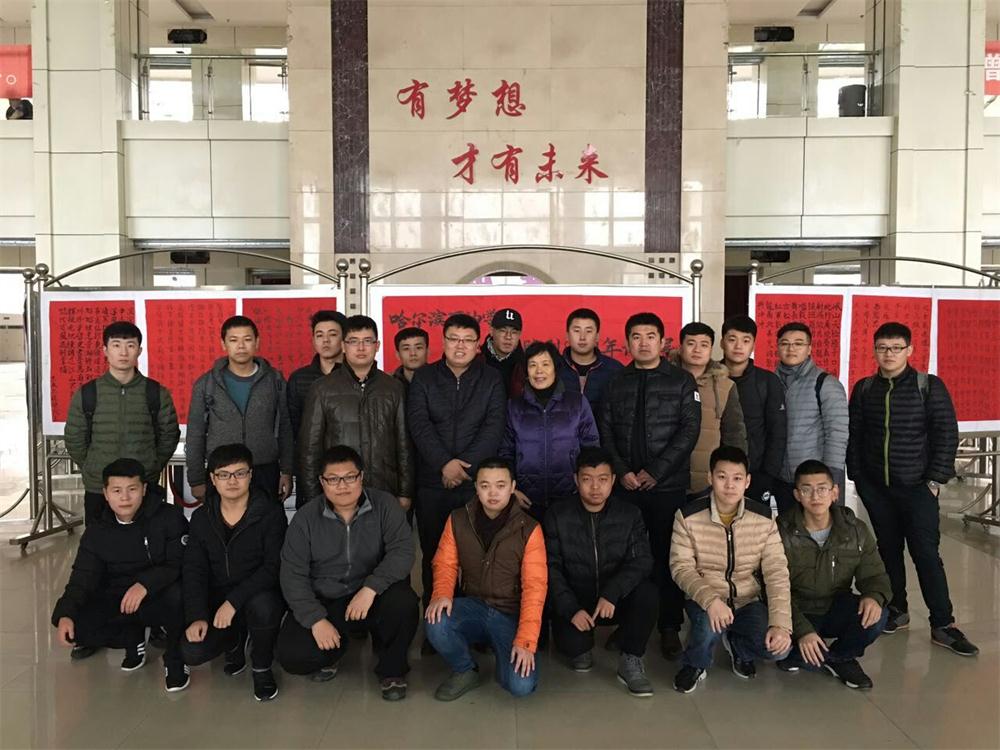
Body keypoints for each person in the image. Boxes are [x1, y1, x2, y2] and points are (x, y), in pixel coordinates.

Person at [847, 322, 977, 656]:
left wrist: (934, 481)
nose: (888, 354)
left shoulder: (928, 386)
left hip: (918, 488)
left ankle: (943, 623)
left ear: (909, 350)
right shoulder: (864, 389)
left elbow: (946, 433)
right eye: (882, 348)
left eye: (896, 348)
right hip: (878, 489)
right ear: (874, 350)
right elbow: (855, 435)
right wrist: (860, 479)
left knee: (926, 554)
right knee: (888, 551)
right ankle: (897, 610)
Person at [276, 445, 418, 701]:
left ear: (361, 477)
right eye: (333, 479)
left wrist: (371, 588)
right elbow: (292, 574)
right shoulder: (306, 518)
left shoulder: (385, 505)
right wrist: (316, 620)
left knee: (403, 602)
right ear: (322, 482)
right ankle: (334, 649)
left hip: (371, 596)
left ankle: (392, 669)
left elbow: (403, 551)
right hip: (327, 598)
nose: (342, 486)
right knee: (293, 657)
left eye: (350, 477)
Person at [598, 312, 701, 660]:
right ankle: (629, 623)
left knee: (668, 556)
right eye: (636, 337)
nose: (643, 343)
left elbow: (689, 430)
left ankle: (669, 626)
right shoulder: (616, 381)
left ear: (663, 341)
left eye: (650, 336)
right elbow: (605, 430)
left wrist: (656, 471)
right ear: (627, 342)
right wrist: (621, 471)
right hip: (626, 487)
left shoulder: (682, 381)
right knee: (626, 558)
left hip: (667, 486)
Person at [51, 458, 190, 692]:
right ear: (106, 494)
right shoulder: (97, 530)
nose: (125, 498)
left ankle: (175, 659)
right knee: (78, 626)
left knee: (179, 595)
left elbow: (179, 563)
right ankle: (132, 637)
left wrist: (145, 584)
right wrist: (65, 613)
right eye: (117, 491)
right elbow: (82, 577)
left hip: (159, 592)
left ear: (144, 489)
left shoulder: (169, 517)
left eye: (132, 489)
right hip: (120, 596)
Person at [407, 314, 506, 622]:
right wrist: (443, 464)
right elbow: (419, 425)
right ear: (443, 341)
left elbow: (493, 428)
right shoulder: (424, 378)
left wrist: (463, 469)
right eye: (453, 339)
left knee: (475, 557)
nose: (460, 346)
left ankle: (471, 624)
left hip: (474, 485)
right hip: (432, 483)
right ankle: (435, 623)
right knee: (434, 555)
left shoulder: (491, 379)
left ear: (478, 345)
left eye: (467, 340)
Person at [670, 446, 792, 693]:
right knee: (707, 627)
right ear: (710, 478)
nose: (729, 485)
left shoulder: (764, 518)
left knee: (780, 650)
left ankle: (738, 646)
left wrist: (781, 624)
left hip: (747, 600)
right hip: (706, 598)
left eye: (737, 478)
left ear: (747, 482)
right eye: (722, 477)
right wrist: (711, 600)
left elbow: (777, 572)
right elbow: (681, 567)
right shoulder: (688, 515)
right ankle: (695, 663)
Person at [424, 458, 547, 700]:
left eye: (500, 485)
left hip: (509, 614)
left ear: (512, 487)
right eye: (485, 485)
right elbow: (445, 563)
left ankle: (504, 654)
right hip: (475, 606)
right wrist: (442, 594)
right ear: (476, 488)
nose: (493, 493)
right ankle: (465, 669)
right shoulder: (458, 519)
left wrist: (525, 641)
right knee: (436, 620)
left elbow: (535, 588)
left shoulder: (530, 529)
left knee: (520, 686)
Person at [543, 447, 657, 697]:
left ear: (613, 480)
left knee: (648, 593)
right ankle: (581, 642)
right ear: (576, 479)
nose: (595, 487)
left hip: (613, 600)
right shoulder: (557, 515)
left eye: (603, 479)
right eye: (587, 479)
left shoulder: (629, 514)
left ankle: (631, 658)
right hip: (577, 601)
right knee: (576, 651)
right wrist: (570, 609)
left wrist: (612, 592)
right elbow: (551, 568)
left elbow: (642, 561)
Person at [182, 444, 288, 702]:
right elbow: (194, 570)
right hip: (217, 595)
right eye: (224, 474)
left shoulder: (271, 513)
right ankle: (234, 641)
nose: (232, 481)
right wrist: (197, 616)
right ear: (212, 479)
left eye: (240, 473)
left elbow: (272, 567)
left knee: (264, 606)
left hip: (258, 593)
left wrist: (233, 601)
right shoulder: (202, 518)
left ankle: (261, 665)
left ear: (251, 475)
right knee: (193, 652)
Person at [776, 459, 890, 689]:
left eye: (822, 489)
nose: (815, 496)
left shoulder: (855, 530)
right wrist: (803, 630)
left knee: (878, 615)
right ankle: (803, 650)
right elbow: (773, 590)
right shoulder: (780, 531)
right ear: (797, 495)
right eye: (806, 490)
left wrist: (873, 596)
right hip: (794, 610)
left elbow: (875, 575)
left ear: (835, 492)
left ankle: (838, 658)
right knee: (770, 641)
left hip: (834, 607)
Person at [64, 321, 180, 524]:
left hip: (142, 486)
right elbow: (74, 438)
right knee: (99, 539)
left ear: (139, 351)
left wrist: (152, 465)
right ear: (105, 350)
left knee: (146, 539)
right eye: (116, 345)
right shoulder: (88, 393)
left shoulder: (155, 392)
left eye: (130, 345)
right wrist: (92, 467)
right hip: (99, 487)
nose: (123, 352)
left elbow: (169, 435)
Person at [298, 315, 413, 512]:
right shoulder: (322, 389)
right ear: (343, 346)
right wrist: (313, 497)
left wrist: (405, 492)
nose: (361, 348)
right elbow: (310, 450)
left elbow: (404, 445)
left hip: (384, 489)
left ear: (377, 346)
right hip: (338, 492)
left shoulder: (393, 387)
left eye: (367, 341)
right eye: (353, 341)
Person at [186, 315, 294, 504]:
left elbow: (285, 427)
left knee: (266, 521)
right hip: (222, 473)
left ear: (257, 342)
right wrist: (196, 479)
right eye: (234, 340)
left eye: (247, 339)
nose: (241, 346)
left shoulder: (275, 381)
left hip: (264, 470)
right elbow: (195, 433)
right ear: (223, 344)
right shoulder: (206, 384)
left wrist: (286, 471)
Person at [499, 340, 600, 523]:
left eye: (545, 364)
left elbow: (591, 449)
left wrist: (582, 488)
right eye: (532, 365)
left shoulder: (577, 402)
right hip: (526, 500)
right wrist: (512, 491)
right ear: (526, 371)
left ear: (555, 368)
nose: (539, 371)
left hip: (570, 498)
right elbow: (506, 452)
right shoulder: (514, 406)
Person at [775, 322, 848, 513]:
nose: (791, 349)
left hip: (817, 481)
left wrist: (832, 479)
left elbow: (837, 434)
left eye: (798, 343)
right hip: (782, 479)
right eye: (785, 343)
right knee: (789, 528)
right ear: (778, 348)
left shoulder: (825, 383)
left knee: (822, 528)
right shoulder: (771, 382)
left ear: (809, 349)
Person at [671, 322, 747, 494]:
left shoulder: (725, 385)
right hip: (667, 478)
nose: (697, 350)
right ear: (680, 348)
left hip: (708, 480)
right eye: (691, 344)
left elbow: (734, 434)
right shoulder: (664, 381)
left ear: (711, 349)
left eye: (704, 345)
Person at [720, 315, 787, 506]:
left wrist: (768, 475)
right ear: (722, 343)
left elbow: (777, 432)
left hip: (756, 473)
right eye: (732, 339)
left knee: (754, 522)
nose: (738, 346)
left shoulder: (767, 381)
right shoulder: (710, 377)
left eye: (746, 340)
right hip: (716, 473)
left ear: (753, 345)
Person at [287, 310, 346, 439]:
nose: (325, 340)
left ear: (344, 339)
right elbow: (293, 426)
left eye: (332, 334)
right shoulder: (298, 379)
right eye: (319, 335)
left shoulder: (355, 376)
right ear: (313, 340)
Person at [557, 307, 624, 416]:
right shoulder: (554, 368)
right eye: (577, 331)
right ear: (567, 335)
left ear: (597, 336)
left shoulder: (615, 370)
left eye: (588, 331)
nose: (582, 337)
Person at [481, 307, 526, 397]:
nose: (508, 337)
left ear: (519, 335)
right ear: (491, 331)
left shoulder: (526, 364)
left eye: (514, 332)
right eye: (503, 331)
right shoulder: (476, 360)